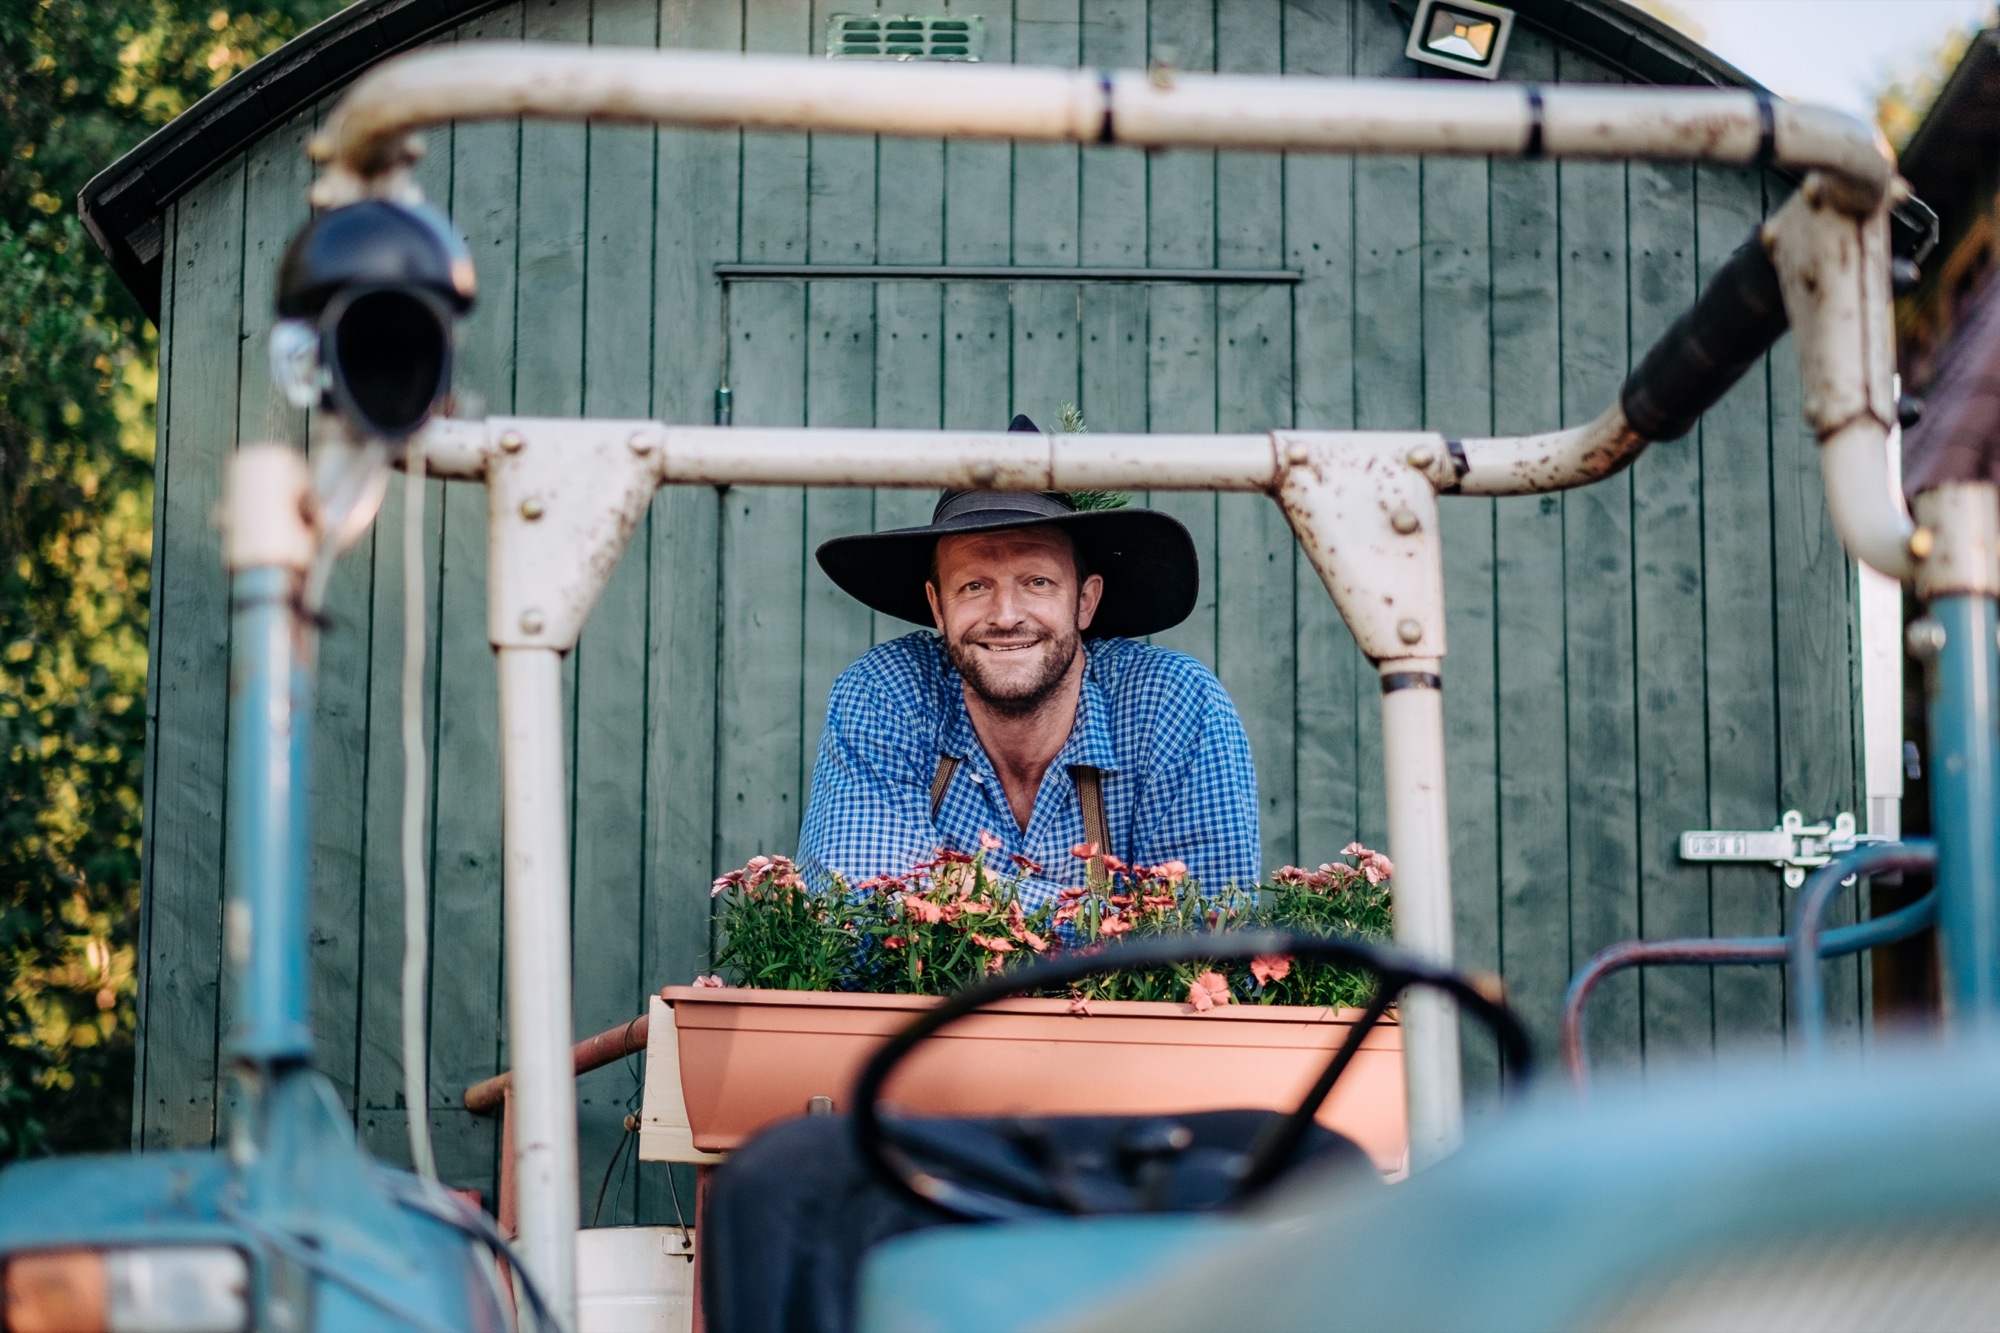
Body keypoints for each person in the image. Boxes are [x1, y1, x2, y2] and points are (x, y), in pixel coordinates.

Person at [798, 414, 1261, 906]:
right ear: (937, 607)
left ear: (1084, 601)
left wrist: (956, 888)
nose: (1006, 616)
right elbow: (851, 911)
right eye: (974, 586)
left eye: (1037, 582)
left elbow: (1208, 928)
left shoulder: (1173, 704)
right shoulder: (887, 690)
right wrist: (1110, 925)